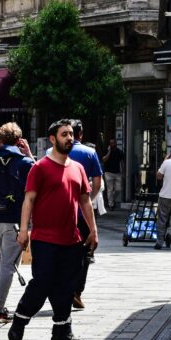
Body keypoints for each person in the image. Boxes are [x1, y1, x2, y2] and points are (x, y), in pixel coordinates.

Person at [7, 119, 98, 340]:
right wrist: (24, 230)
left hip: (72, 238)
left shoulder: (77, 168)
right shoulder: (40, 168)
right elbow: (29, 199)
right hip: (44, 239)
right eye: (64, 134)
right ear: (52, 139)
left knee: (67, 286)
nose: (69, 138)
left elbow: (85, 201)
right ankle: (20, 319)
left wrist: (93, 230)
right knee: (43, 283)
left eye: (70, 134)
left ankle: (62, 332)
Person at [0, 125, 34, 323]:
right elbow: (39, 181)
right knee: (9, 264)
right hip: (15, 219)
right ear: (19, 140)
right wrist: (29, 154)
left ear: (0, 140)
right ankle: (0, 309)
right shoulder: (25, 162)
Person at [68, 120, 103, 310]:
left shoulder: (52, 152)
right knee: (85, 253)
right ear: (80, 134)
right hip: (82, 214)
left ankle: (63, 288)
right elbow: (97, 183)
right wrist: (88, 200)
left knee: (62, 251)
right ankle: (77, 291)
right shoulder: (90, 153)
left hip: (60, 212)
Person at [154, 147, 171, 251]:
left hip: (165, 195)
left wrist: (164, 161)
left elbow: (159, 176)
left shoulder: (167, 162)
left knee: (162, 220)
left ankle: (159, 243)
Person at [101, 139, 124, 211]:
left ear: (116, 143)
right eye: (111, 143)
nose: (112, 144)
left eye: (114, 143)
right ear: (109, 144)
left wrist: (123, 172)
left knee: (118, 189)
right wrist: (109, 152)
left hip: (117, 173)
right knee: (110, 189)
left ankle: (112, 200)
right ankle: (111, 204)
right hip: (108, 173)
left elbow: (122, 162)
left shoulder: (119, 152)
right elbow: (104, 160)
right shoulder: (106, 151)